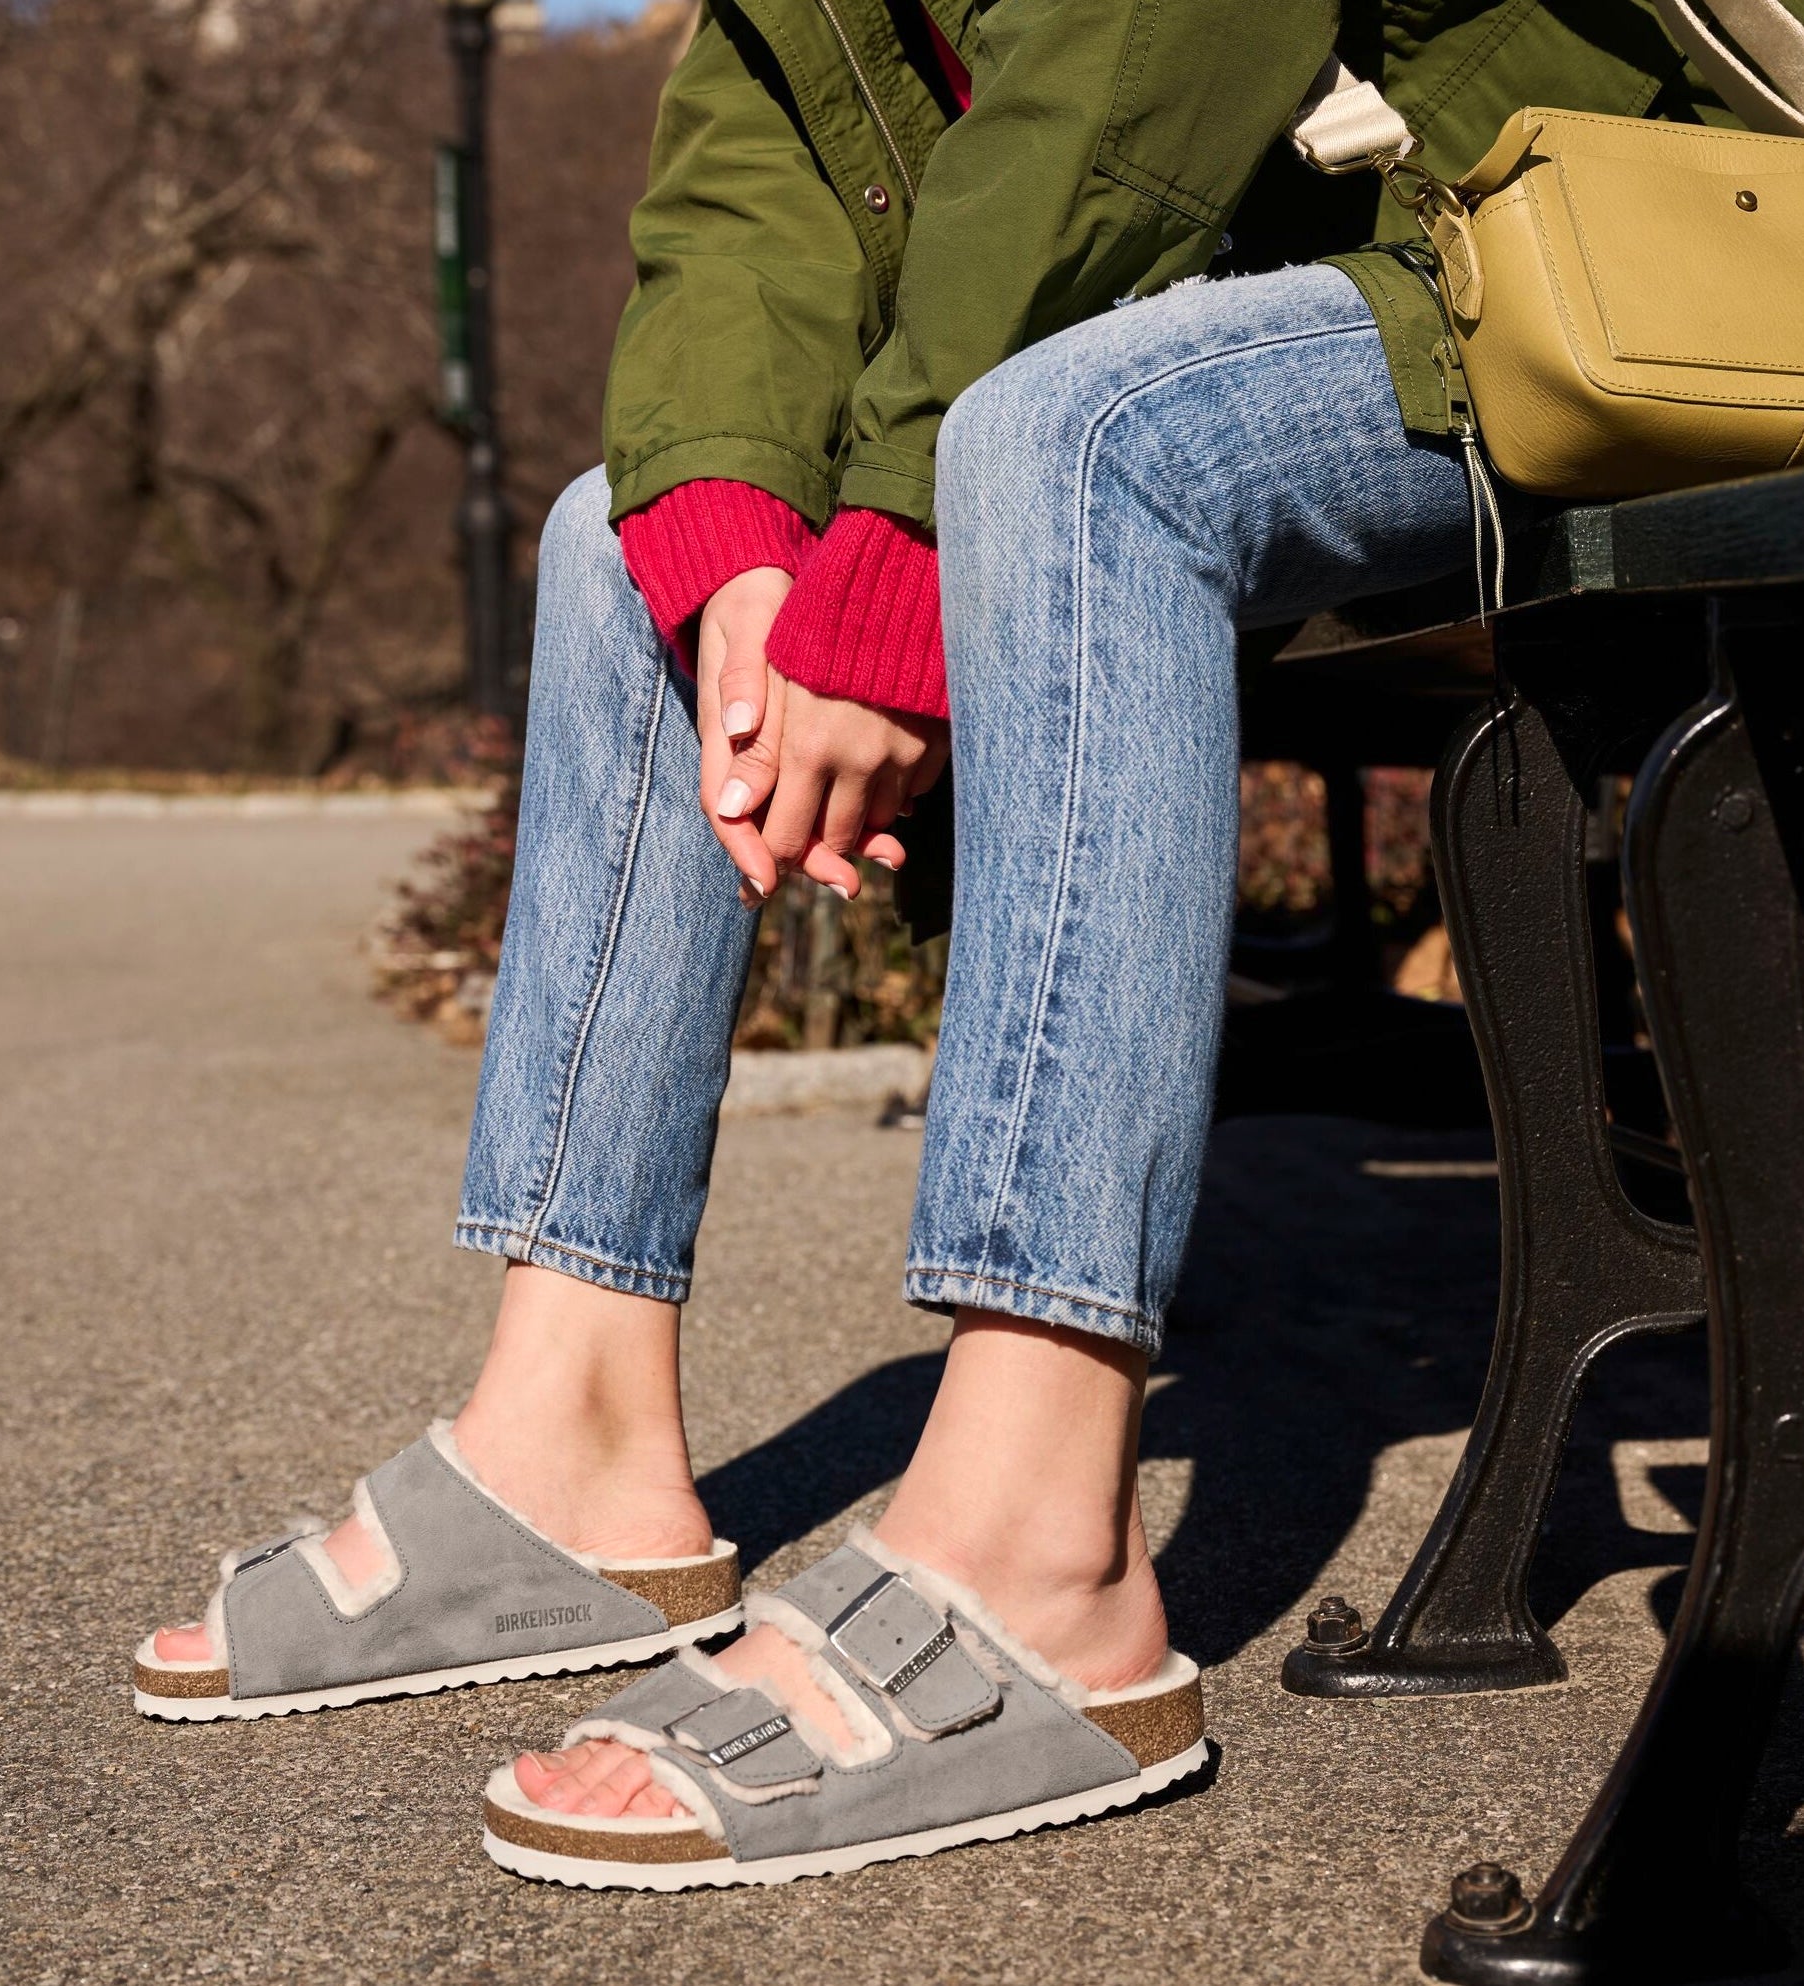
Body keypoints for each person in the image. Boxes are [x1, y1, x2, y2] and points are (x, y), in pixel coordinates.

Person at [133, 0, 1770, 1888]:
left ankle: (1038, 1557)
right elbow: (760, 149)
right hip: (1275, 264)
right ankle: (563, 1440)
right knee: (626, 530)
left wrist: (898, 556)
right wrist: (739, 540)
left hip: (1626, 225)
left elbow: (1141, 61)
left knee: (1074, 443)